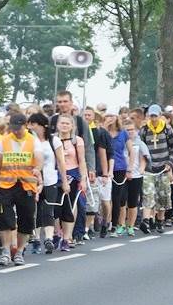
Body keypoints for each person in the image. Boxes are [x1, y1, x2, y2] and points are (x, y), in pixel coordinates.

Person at [0, 114, 43, 266]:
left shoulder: (33, 141)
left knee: (27, 218)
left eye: (19, 128)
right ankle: (5, 250)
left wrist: (37, 169)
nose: (16, 131)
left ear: (26, 125)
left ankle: (20, 250)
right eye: (14, 128)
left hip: (26, 185)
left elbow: (39, 158)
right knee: (4, 218)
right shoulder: (4, 141)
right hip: (6, 185)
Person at [28, 113, 69, 254]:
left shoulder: (54, 140)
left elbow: (61, 162)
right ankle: (36, 239)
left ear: (43, 125)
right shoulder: (30, 141)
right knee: (35, 210)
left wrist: (64, 181)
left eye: (34, 124)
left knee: (48, 210)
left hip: (51, 179)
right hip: (33, 179)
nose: (31, 127)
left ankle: (49, 239)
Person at [138, 105, 173, 234]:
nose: (153, 118)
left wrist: (169, 163)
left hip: (163, 167)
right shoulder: (144, 129)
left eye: (155, 115)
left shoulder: (167, 128)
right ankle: (146, 221)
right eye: (151, 116)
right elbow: (141, 147)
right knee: (148, 194)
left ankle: (160, 220)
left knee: (163, 196)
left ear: (160, 115)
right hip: (149, 167)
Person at [52, 114, 88, 250]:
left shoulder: (77, 140)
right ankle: (57, 233)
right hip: (56, 174)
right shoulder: (53, 140)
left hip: (73, 173)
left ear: (72, 126)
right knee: (56, 205)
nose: (64, 125)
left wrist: (83, 178)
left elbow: (82, 160)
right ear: (58, 124)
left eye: (67, 123)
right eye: (62, 123)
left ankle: (69, 236)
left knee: (71, 204)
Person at [83, 106, 113, 238]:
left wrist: (106, 173)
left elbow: (104, 153)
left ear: (94, 117)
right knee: (90, 201)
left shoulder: (101, 132)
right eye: (84, 115)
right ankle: (87, 227)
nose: (86, 117)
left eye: (89, 115)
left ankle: (106, 222)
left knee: (105, 201)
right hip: (87, 171)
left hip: (100, 171)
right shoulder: (80, 131)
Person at [106, 109, 134, 238]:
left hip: (119, 168)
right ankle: (104, 223)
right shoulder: (103, 132)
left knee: (116, 198)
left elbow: (131, 151)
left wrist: (129, 168)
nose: (110, 118)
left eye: (112, 116)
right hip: (104, 168)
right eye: (107, 116)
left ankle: (115, 225)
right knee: (105, 199)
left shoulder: (123, 133)